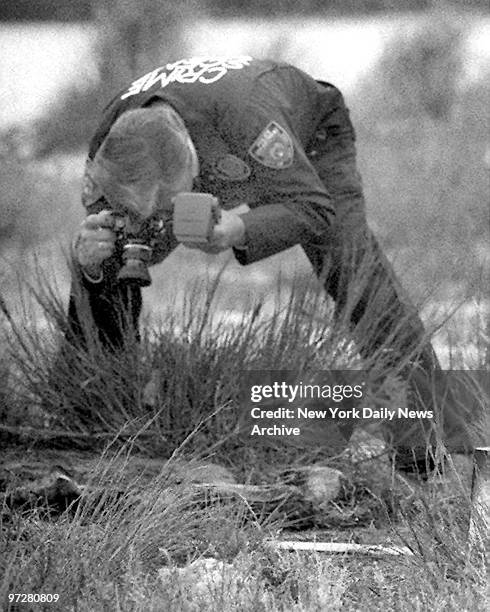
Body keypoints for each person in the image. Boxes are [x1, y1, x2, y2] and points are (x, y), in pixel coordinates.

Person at [67, 56, 474, 475]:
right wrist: (93, 267)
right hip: (197, 153)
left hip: (307, 139)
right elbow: (115, 250)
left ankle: (428, 450)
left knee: (354, 275)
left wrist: (239, 228)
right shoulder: (111, 142)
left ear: (192, 167)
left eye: (163, 209)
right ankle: (97, 423)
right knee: (109, 254)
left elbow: (313, 207)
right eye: (146, 209)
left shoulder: (250, 117)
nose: (156, 222)